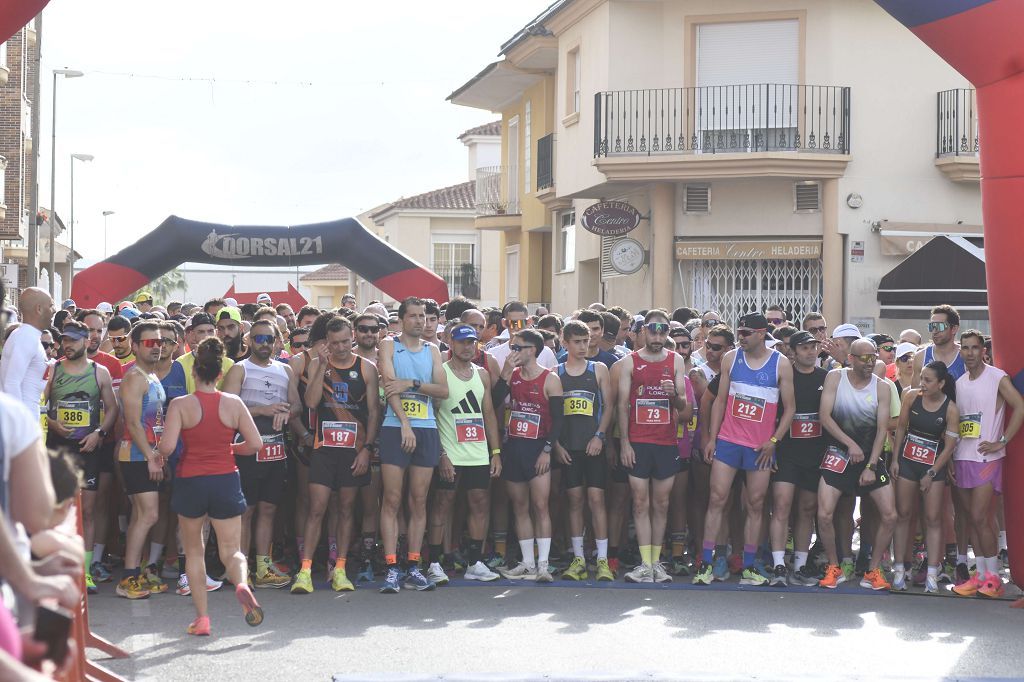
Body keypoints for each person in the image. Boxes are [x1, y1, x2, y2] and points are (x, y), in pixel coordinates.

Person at [158, 336, 264, 635]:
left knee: (194, 552)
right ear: (220, 374)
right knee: (232, 551)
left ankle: (202, 618)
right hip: (225, 478)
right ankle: (241, 583)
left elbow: (167, 447)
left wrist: (156, 456)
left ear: (194, 371)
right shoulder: (233, 403)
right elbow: (255, 444)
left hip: (191, 479)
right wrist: (231, 449)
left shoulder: (181, 404)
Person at [692, 313, 794, 586]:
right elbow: (720, 400)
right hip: (729, 441)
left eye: (747, 332)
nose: (741, 337)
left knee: (756, 505)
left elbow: (790, 409)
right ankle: (706, 563)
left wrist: (773, 442)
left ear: (762, 333)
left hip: (759, 447)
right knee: (717, 499)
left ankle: (749, 564)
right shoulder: (731, 358)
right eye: (740, 332)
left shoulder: (780, 364)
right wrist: (712, 438)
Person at [292, 317, 379, 594]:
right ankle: (305, 571)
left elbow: (375, 411)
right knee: (316, 508)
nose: (340, 347)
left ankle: (340, 568)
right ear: (326, 342)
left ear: (352, 336)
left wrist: (367, 449)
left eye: (344, 341)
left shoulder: (366, 368)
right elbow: (310, 402)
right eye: (334, 343)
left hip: (354, 450)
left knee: (345, 509)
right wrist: (320, 366)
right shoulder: (319, 364)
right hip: (324, 449)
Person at [377, 296, 449, 593]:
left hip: (427, 428)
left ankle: (413, 565)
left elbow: (442, 390)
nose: (420, 320)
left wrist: (414, 384)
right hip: (396, 428)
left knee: (419, 500)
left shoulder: (433, 350)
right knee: (392, 499)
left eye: (424, 316)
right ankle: (392, 567)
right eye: (414, 316)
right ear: (402, 319)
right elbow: (390, 386)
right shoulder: (389, 345)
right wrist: (405, 423)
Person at [221, 319, 300, 589]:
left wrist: (289, 412)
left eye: (269, 339)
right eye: (258, 339)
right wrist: (261, 411)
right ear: (248, 341)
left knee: (268, 508)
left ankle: (263, 567)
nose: (264, 344)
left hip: (276, 448)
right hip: (247, 447)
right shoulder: (239, 368)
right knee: (247, 510)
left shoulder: (286, 370)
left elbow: (297, 405)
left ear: (278, 340)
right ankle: (239, 569)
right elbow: (227, 407)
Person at [43, 321, 119, 595]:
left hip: (88, 448)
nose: (67, 345)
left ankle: (84, 572)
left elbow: (112, 408)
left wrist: (99, 433)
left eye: (74, 340)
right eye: (64, 340)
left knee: (87, 511)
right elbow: (39, 404)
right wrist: (52, 424)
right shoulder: (53, 370)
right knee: (59, 511)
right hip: (58, 449)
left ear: (87, 341)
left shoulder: (100, 372)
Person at [815, 338, 897, 591]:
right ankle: (834, 565)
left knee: (890, 515)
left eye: (874, 356)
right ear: (850, 358)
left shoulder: (882, 387)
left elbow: (882, 429)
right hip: (839, 454)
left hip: (869, 457)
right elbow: (824, 417)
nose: (871, 362)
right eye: (864, 357)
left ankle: (873, 569)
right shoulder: (835, 378)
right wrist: (849, 444)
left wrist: (872, 465)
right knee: (824, 513)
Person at [617, 311, 691, 583]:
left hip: (665, 442)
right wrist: (624, 443)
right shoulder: (629, 362)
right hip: (638, 441)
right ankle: (644, 563)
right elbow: (622, 405)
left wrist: (674, 395)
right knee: (640, 502)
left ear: (667, 333)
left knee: (661, 503)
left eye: (663, 333)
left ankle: (656, 562)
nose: (658, 338)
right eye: (653, 332)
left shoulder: (676, 360)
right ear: (643, 332)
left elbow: (683, 405)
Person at [951, 330, 1024, 598]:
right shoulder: (959, 383)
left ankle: (993, 577)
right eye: (965, 348)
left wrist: (1001, 441)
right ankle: (980, 576)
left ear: (984, 350)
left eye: (974, 348)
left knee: (982, 517)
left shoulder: (997, 377)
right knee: (971, 518)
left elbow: (1020, 406)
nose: (970, 353)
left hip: (987, 457)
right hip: (962, 456)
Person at [429, 324, 503, 583]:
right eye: (462, 342)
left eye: (472, 342)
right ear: (450, 343)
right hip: (451, 452)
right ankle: (433, 562)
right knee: (442, 505)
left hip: (478, 453)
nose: (468, 347)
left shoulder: (482, 374)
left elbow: (489, 414)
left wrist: (495, 452)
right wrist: (441, 454)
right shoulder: (441, 372)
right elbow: (434, 415)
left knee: (480, 505)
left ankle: (475, 561)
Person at [494, 329, 564, 582]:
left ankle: (543, 565)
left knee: (540, 505)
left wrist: (547, 450)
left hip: (538, 449)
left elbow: (558, 421)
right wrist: (503, 376)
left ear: (532, 350)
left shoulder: (550, 379)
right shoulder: (512, 376)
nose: (512, 352)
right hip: (515, 447)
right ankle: (528, 563)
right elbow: (493, 402)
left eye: (517, 347)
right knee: (520, 506)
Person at [554, 320, 615, 582]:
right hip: (569, 448)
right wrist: (556, 445)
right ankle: (578, 557)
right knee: (575, 502)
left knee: (597, 501)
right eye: (577, 341)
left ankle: (601, 559)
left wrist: (600, 437)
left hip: (593, 446)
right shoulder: (556, 372)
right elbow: (552, 414)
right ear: (565, 342)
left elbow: (609, 407)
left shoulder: (598, 369)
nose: (583, 346)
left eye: (586, 340)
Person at [891, 361, 959, 593]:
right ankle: (899, 569)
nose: (923, 384)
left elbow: (949, 446)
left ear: (941, 383)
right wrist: (895, 459)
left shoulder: (950, 408)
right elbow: (900, 427)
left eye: (929, 380)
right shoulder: (910, 396)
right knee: (903, 514)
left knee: (932, 518)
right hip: (908, 462)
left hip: (933, 466)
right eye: (922, 378)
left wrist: (931, 473)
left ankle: (932, 571)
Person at [769, 331, 829, 586]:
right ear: (792, 351)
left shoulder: (827, 378)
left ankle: (801, 565)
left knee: (807, 510)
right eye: (804, 348)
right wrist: (771, 446)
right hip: (786, 452)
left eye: (814, 347)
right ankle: (779, 564)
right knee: (781, 506)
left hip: (815, 454)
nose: (811, 352)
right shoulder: (784, 376)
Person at [116, 321, 169, 598]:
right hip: (137, 455)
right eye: (149, 343)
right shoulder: (135, 377)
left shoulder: (151, 375)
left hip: (148, 454)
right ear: (135, 346)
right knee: (148, 514)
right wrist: (150, 456)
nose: (157, 347)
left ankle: (136, 573)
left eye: (159, 342)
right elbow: (133, 423)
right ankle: (127, 578)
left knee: (142, 515)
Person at [0, 287, 53, 415]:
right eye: (51, 306)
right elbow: (11, 384)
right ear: (39, 309)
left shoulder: (29, 336)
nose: (54, 310)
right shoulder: (25, 337)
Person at [913, 304, 966, 384]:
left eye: (940, 326)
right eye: (932, 326)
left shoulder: (966, 356)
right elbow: (916, 394)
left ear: (954, 329)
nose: (934, 331)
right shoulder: (920, 357)